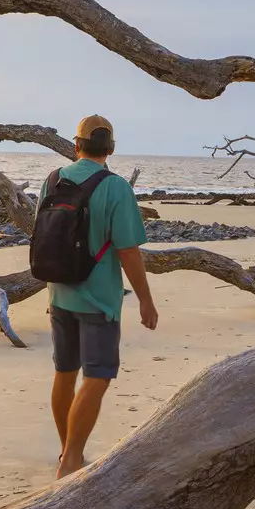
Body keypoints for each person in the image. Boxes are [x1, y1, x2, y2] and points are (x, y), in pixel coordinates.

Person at [45, 114, 157, 477]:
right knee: (97, 376)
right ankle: (72, 460)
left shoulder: (52, 180)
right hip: (98, 299)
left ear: (76, 145)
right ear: (110, 148)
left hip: (59, 293)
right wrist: (145, 299)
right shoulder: (116, 187)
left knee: (64, 373)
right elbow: (128, 251)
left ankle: (66, 450)